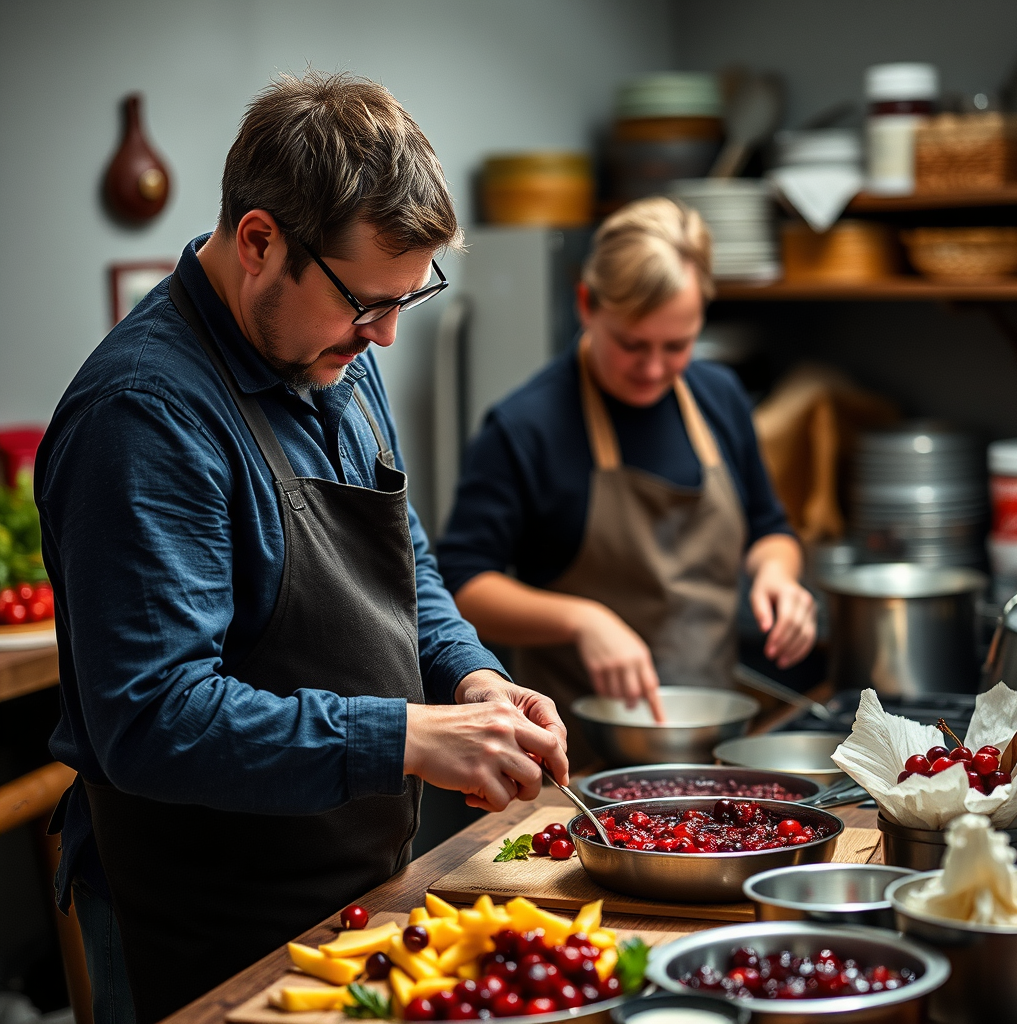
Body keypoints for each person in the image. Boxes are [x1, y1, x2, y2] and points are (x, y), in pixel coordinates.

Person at [37, 72, 568, 1024]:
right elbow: (156, 717)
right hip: (203, 929)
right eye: (367, 303)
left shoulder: (326, 352)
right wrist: (405, 735)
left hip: (350, 896)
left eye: (409, 299)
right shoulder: (145, 418)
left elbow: (404, 568)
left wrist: (471, 679)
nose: (388, 336)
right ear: (258, 242)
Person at [437, 197, 815, 764]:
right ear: (587, 304)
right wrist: (583, 619)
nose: (654, 369)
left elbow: (770, 528)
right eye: (633, 344)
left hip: (714, 746)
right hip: (578, 763)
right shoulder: (525, 425)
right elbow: (463, 584)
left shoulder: (719, 398)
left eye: (677, 345)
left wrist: (779, 578)